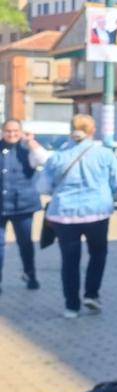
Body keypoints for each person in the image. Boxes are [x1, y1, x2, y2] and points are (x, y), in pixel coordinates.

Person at [33, 114, 117, 319]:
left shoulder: (57, 156)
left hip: (64, 215)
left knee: (69, 261)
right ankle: (91, 294)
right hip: (97, 212)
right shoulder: (104, 154)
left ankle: (71, 306)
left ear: (71, 130)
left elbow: (43, 186)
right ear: (92, 131)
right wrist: (103, 191)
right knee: (98, 253)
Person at [0, 120, 44, 292]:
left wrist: (31, 142)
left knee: (25, 243)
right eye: (8, 131)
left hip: (23, 206)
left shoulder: (28, 149)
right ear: (3, 131)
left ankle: (30, 274)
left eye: (15, 131)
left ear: (21, 132)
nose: (12, 134)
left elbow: (43, 160)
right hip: (1, 206)